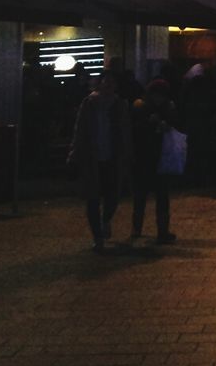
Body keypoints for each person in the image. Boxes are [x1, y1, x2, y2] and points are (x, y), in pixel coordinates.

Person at [68, 73, 133, 251]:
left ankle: (105, 220)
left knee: (112, 195)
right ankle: (98, 236)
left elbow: (125, 130)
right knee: (93, 198)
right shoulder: (89, 104)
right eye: (105, 83)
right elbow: (80, 128)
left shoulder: (119, 105)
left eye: (111, 83)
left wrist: (126, 152)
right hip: (92, 157)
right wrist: (75, 151)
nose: (107, 87)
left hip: (113, 156)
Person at [130, 78, 179, 244]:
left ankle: (160, 230)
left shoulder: (166, 108)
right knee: (143, 196)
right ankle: (138, 229)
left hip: (158, 157)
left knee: (158, 196)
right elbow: (134, 131)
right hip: (145, 157)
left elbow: (174, 124)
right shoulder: (142, 107)